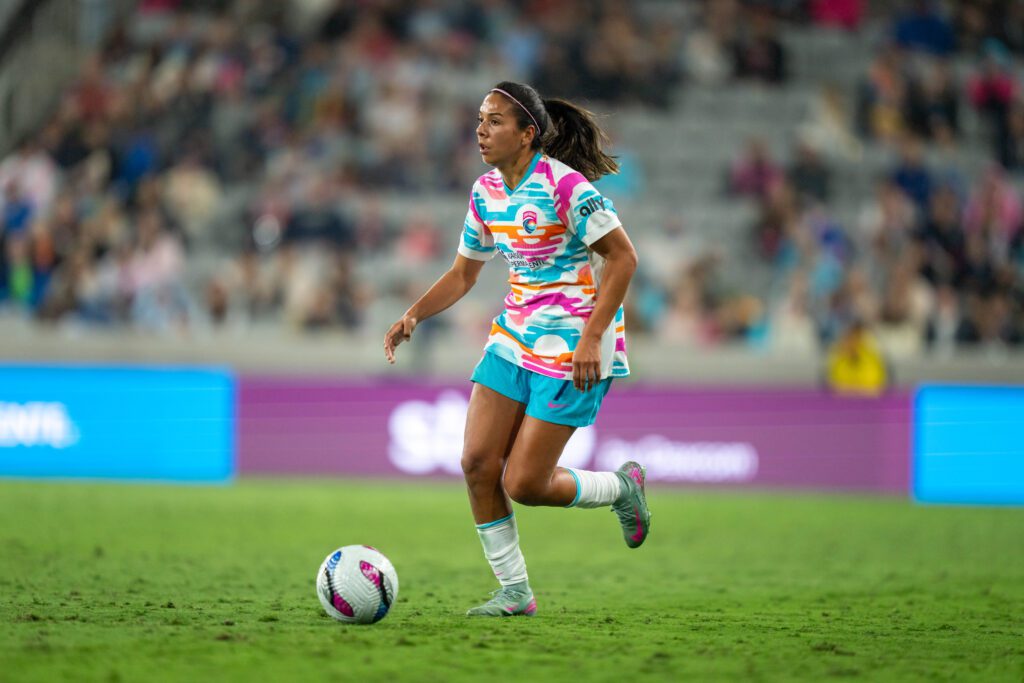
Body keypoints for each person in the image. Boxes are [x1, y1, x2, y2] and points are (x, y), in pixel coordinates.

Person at [383, 81, 650, 617]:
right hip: (512, 339)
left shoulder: (566, 187)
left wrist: (594, 337)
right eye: (480, 119)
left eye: (495, 121)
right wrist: (414, 313)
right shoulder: (485, 192)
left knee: (525, 483)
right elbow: (463, 274)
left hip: (574, 346)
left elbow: (622, 259)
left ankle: (621, 487)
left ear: (528, 133)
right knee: (477, 463)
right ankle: (514, 592)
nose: (481, 130)